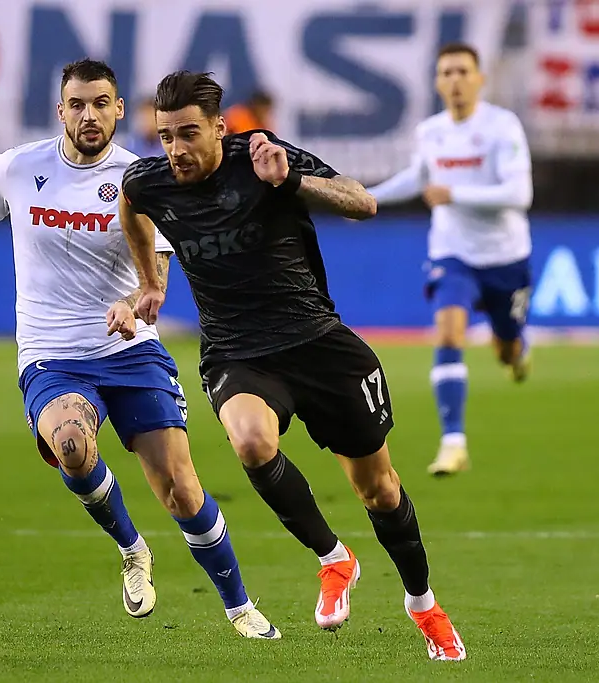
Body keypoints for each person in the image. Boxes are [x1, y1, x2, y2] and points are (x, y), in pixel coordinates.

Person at [0, 59, 279, 639]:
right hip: (52, 353)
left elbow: (157, 276)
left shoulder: (143, 179)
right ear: (61, 111)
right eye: (78, 104)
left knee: (180, 489)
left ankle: (239, 606)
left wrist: (135, 301)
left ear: (119, 110)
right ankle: (132, 549)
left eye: (101, 103)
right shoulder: (18, 167)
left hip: (130, 351)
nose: (90, 115)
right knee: (71, 445)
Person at [119, 70, 466, 662]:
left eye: (188, 134)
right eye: (166, 135)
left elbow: (363, 202)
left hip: (317, 344)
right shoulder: (148, 181)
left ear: (220, 128)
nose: (175, 149)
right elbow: (132, 210)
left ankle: (423, 604)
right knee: (251, 443)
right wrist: (150, 282)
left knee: (379, 490)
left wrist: (293, 180)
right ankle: (334, 558)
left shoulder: (261, 157)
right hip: (236, 351)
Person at [367, 42, 534, 477]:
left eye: (463, 71)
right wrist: (369, 198)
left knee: (506, 350)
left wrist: (455, 193)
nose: (455, 80)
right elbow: (419, 177)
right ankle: (453, 442)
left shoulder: (502, 126)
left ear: (480, 79)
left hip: (505, 257)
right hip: (452, 253)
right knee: (448, 331)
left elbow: (519, 193)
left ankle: (517, 352)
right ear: (438, 83)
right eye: (447, 73)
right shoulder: (432, 132)